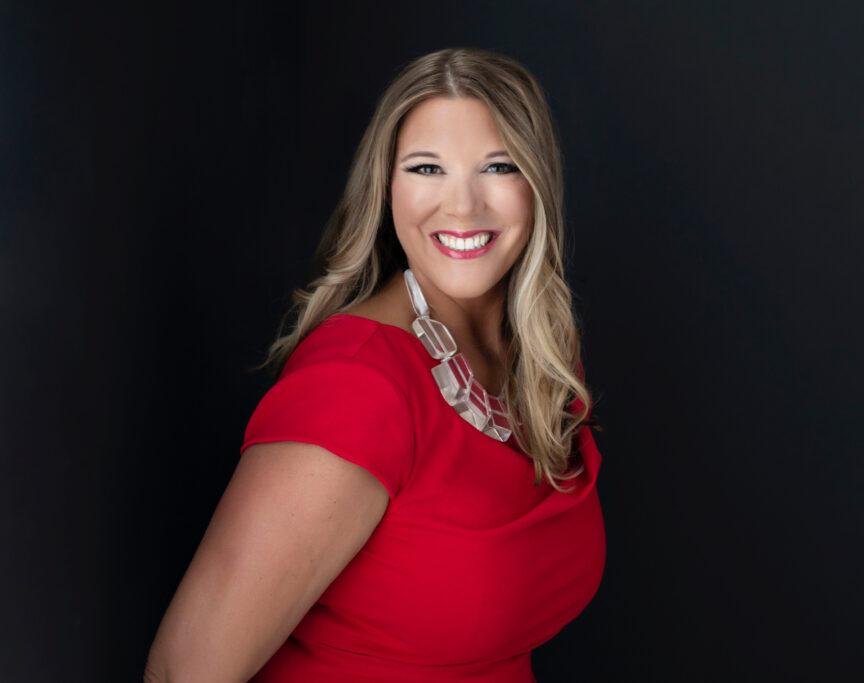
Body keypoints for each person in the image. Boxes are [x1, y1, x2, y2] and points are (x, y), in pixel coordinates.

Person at [144, 46, 606, 682]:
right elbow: (185, 672)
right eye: (426, 168)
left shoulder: (539, 353)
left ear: (537, 185)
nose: (462, 207)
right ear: (386, 188)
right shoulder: (357, 385)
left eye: (497, 166)